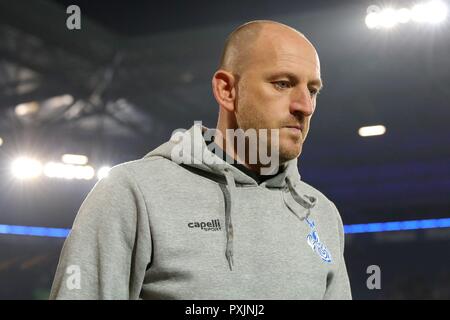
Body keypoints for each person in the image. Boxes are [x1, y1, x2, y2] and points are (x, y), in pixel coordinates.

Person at [50, 20, 352, 299]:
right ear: (227, 90)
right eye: (283, 83)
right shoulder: (132, 192)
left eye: (313, 90)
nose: (305, 106)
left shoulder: (322, 214)